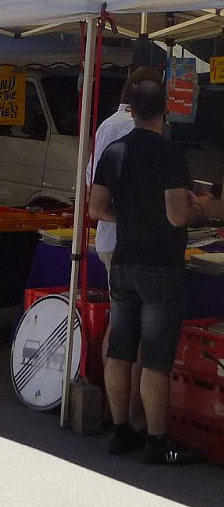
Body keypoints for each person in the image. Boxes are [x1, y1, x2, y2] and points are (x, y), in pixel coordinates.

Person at [89, 78, 214, 464]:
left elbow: (95, 208)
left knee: (121, 349)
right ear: (165, 110)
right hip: (160, 264)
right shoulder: (169, 152)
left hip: (124, 261)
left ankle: (121, 429)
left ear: (130, 107)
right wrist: (203, 206)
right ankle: (157, 442)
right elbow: (177, 215)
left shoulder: (114, 149)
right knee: (156, 358)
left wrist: (128, 218)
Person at [86, 66, 163, 431]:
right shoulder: (137, 131)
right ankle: (130, 415)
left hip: (109, 239)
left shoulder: (105, 126)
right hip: (131, 244)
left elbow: (92, 187)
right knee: (135, 335)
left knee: (120, 330)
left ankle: (112, 410)